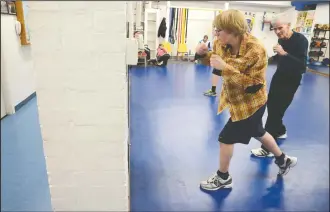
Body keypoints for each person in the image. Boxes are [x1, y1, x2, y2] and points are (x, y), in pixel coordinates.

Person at [195, 9, 297, 190]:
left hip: (251, 103)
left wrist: (225, 67)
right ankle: (283, 159)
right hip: (234, 99)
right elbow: (215, 63)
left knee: (225, 138)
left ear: (233, 29)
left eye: (219, 30)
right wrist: (203, 55)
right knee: (258, 132)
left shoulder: (256, 50)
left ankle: (223, 177)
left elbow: (254, 84)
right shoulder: (220, 43)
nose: (216, 33)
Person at [251, 13, 308, 157]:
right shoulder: (281, 39)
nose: (277, 32)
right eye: (275, 29)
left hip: (291, 81)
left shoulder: (301, 41)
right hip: (279, 77)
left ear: (289, 26)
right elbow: (278, 57)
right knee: (272, 107)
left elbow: (302, 66)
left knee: (276, 112)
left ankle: (268, 148)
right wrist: (264, 60)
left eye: (280, 28)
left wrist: (285, 54)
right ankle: (281, 131)